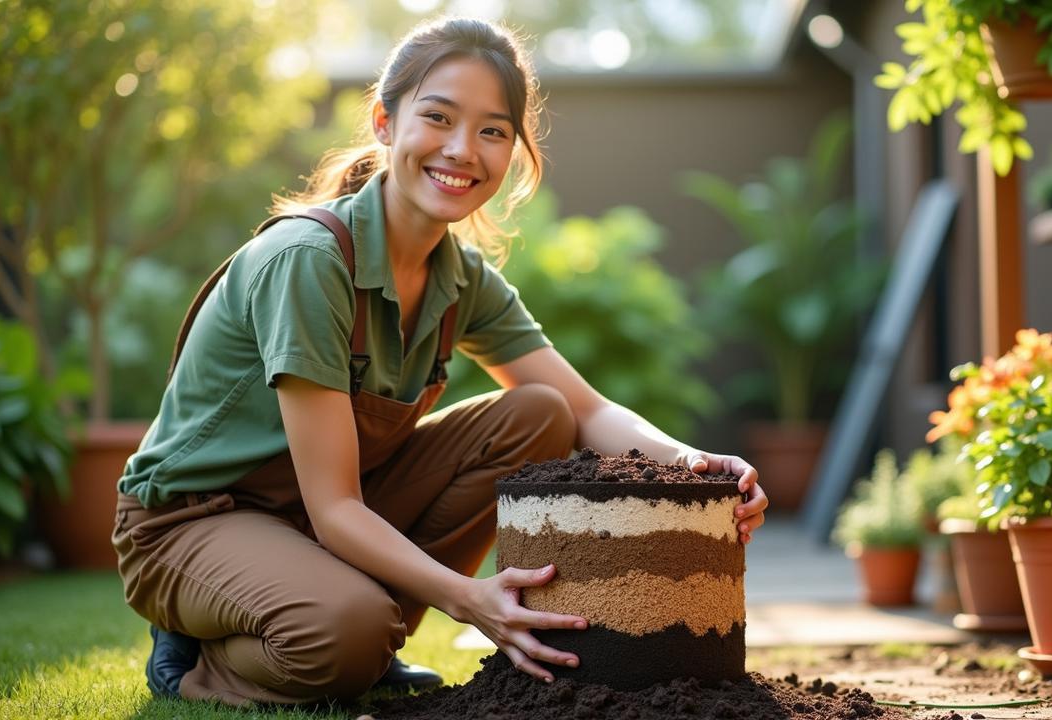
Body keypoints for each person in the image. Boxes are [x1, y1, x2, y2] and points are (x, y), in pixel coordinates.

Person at [113, 16, 767, 708]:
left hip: (314, 519)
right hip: (192, 522)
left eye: (492, 131)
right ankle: (198, 664)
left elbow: (583, 409)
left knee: (537, 414)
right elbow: (335, 507)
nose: (463, 150)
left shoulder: (461, 278)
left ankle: (357, 630)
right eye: (439, 117)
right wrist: (467, 599)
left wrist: (691, 462)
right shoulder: (308, 261)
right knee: (344, 634)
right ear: (385, 122)